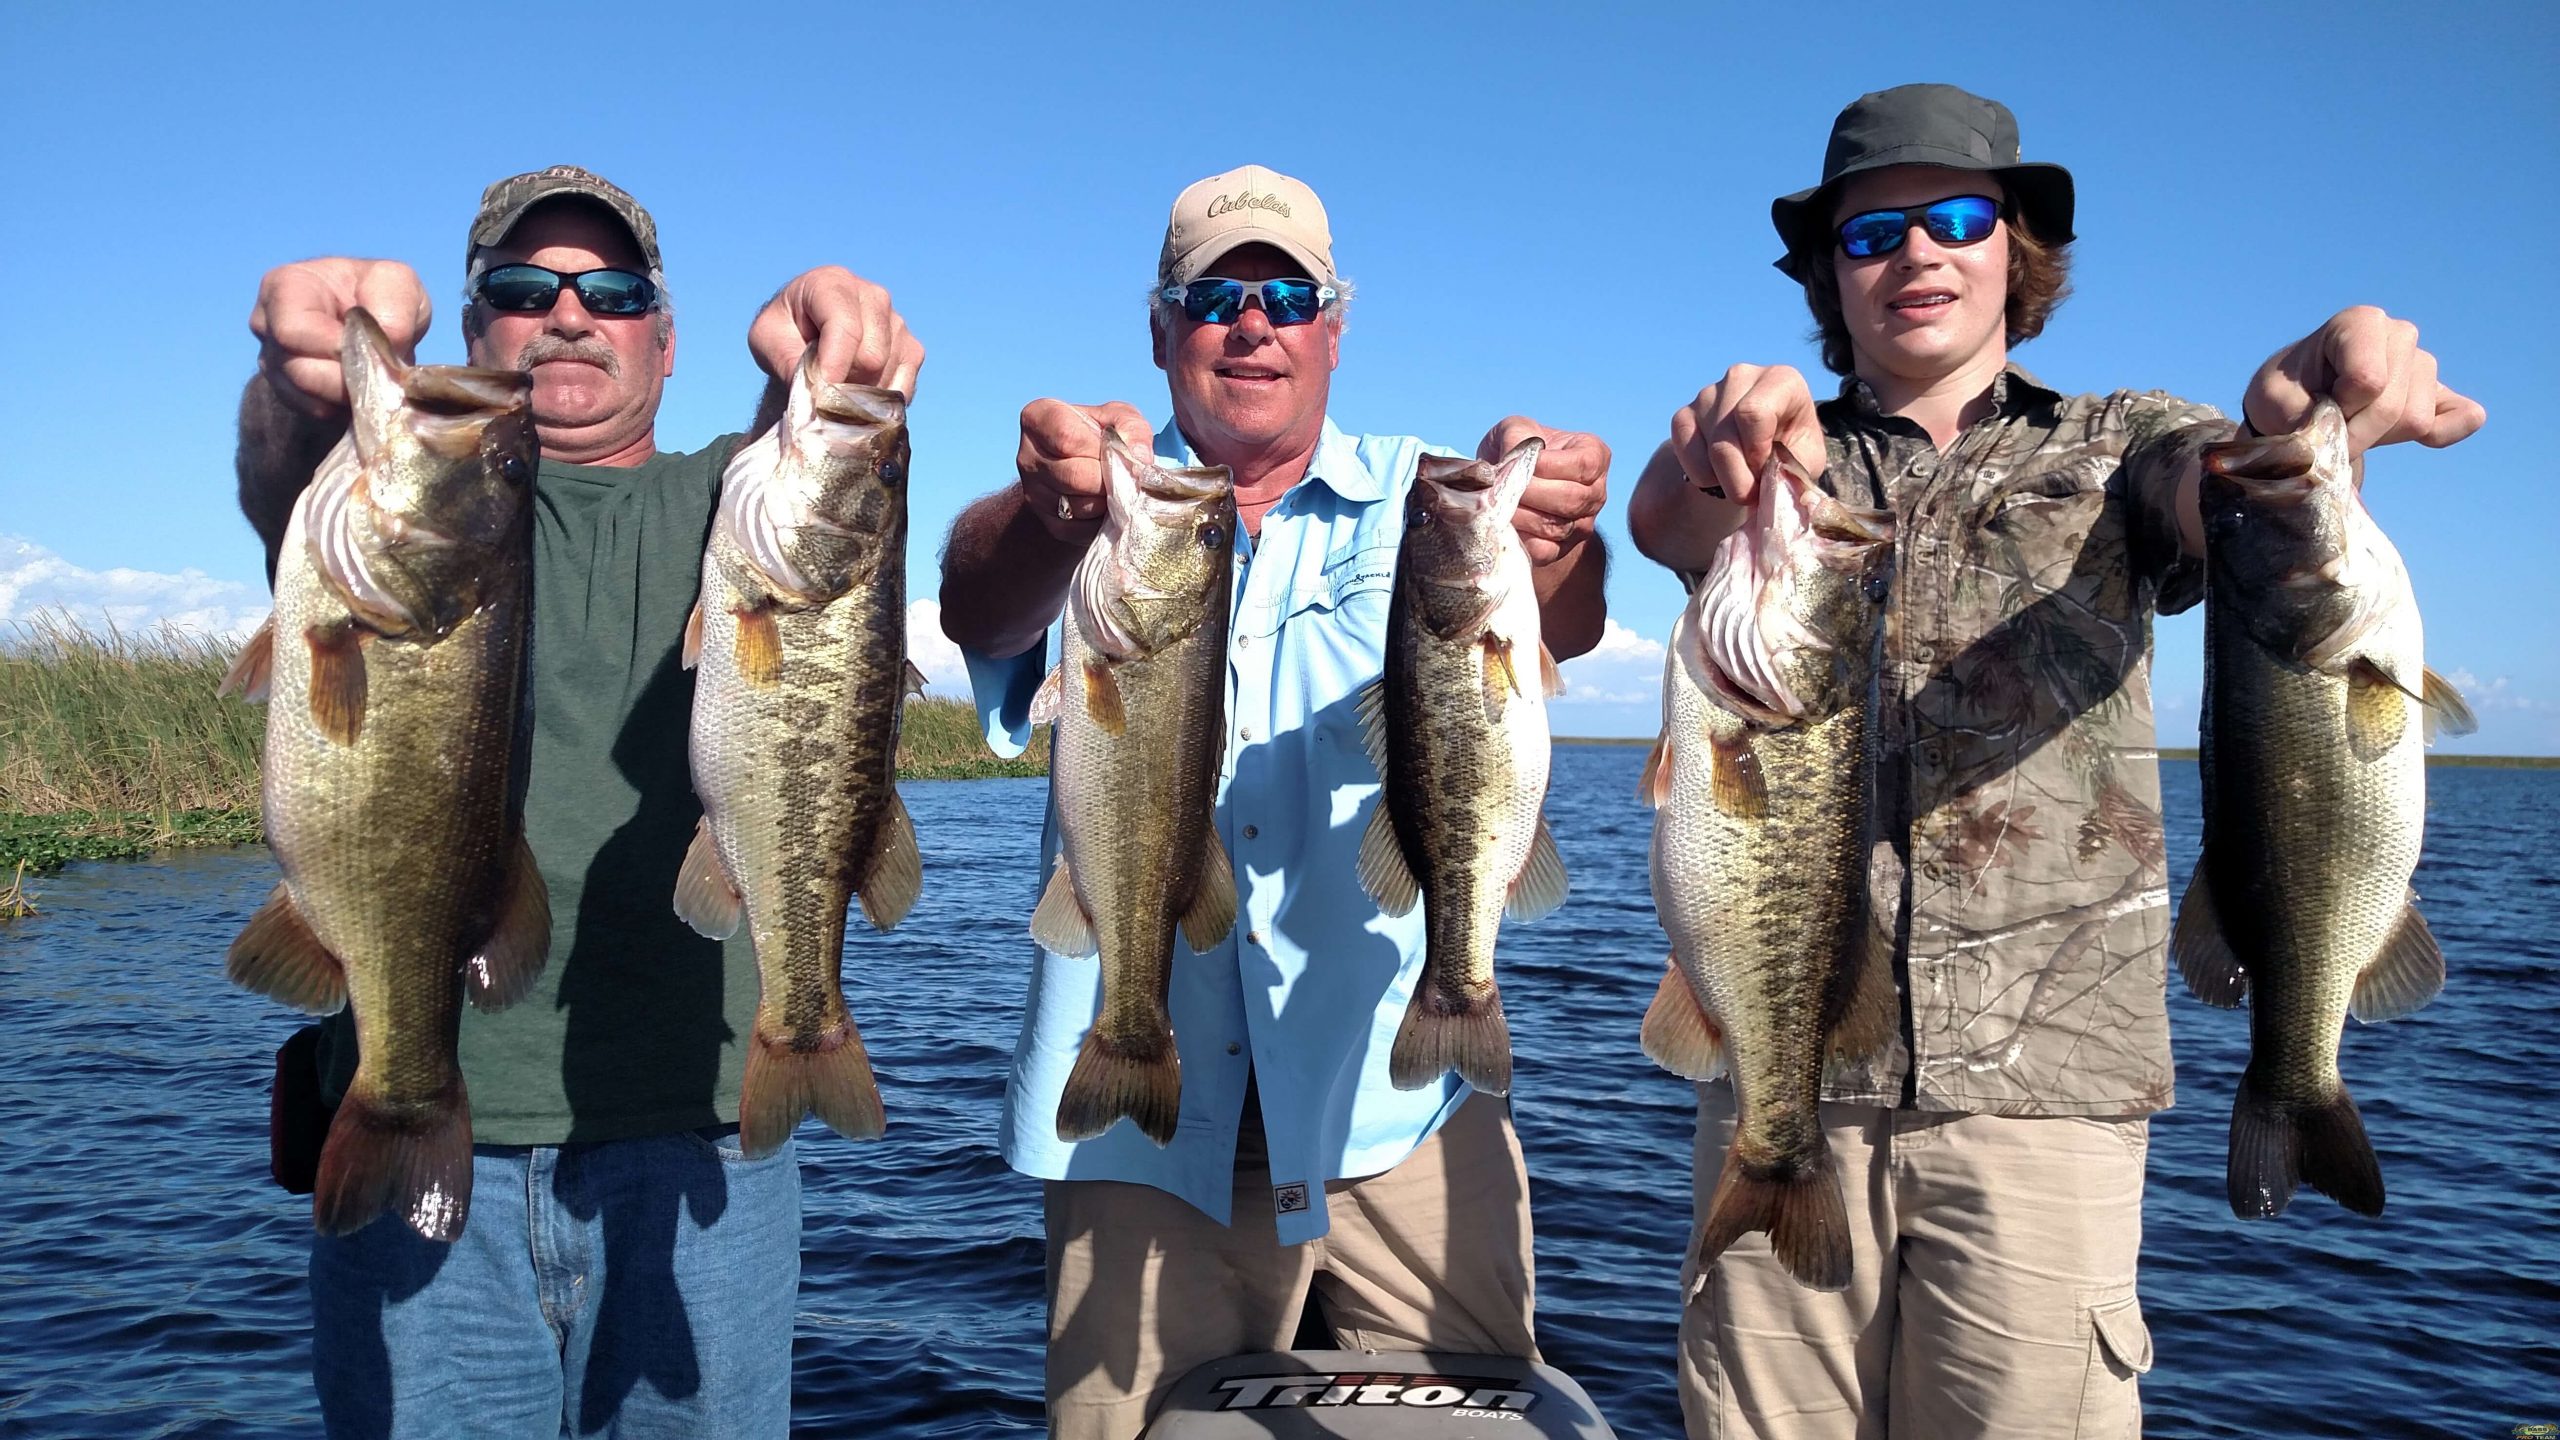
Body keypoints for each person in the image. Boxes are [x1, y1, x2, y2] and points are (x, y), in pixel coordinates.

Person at [1625, 85, 2483, 1439]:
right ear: (1827, 276)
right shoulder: (1786, 475)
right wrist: (1726, 445)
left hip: (2049, 1106)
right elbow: (1666, 518)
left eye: (1958, 220)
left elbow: (2229, 487)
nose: (1916, 255)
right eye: (1870, 235)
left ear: (2015, 252)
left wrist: (2295, 404)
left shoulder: (2123, 446)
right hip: (1794, 1080)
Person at [236, 164, 924, 1439]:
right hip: (428, 1115)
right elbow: (288, 476)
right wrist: (296, 384)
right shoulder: (441, 497)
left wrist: (830, 350)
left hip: (699, 1139)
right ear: (474, 323)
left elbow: (826, 480)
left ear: (665, 342)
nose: (565, 314)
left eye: (609, 292)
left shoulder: (729, 502)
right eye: (520, 287)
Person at [938, 164, 1611, 1438]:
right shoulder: (1101, 506)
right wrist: (1043, 513)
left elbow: (1560, 616)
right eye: (1214, 296)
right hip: (1138, 1138)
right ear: (1160, 330)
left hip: (1399, 1112)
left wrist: (1563, 535)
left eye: (1288, 295)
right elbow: (978, 605)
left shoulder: (1430, 499)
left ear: (1333, 328)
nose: (1253, 323)